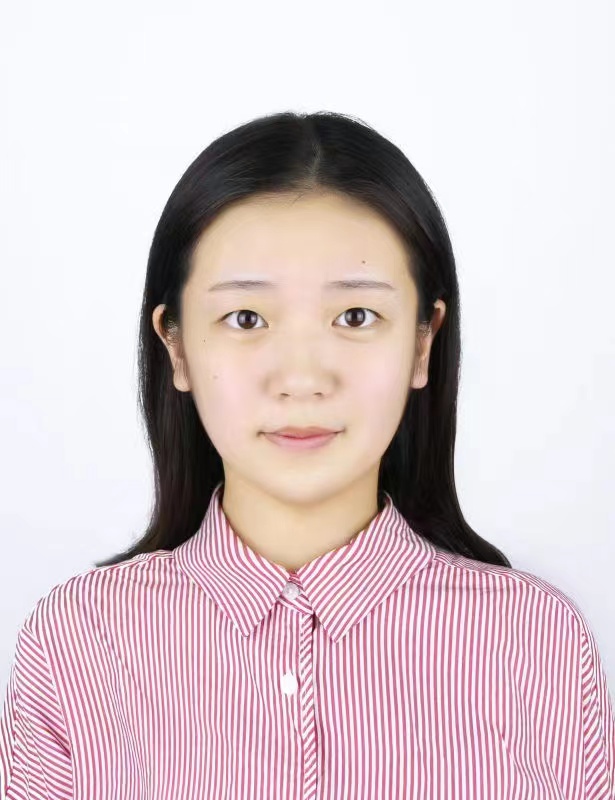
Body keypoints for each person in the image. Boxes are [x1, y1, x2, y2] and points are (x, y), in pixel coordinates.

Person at [1, 111, 613, 800]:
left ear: (422, 342)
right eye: (246, 318)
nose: (300, 378)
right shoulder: (78, 643)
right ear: (176, 345)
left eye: (355, 317)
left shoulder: (536, 643)